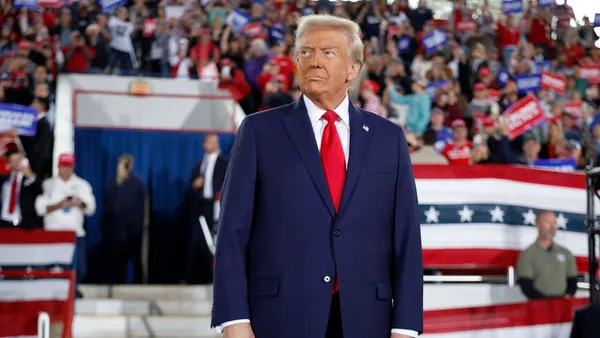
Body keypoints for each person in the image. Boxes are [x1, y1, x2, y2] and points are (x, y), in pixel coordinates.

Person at [211, 14, 423, 338]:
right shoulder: (258, 131)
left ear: (352, 70)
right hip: (279, 319)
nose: (313, 61)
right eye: (305, 52)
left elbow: (406, 237)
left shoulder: (389, 138)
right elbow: (231, 233)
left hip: (367, 321)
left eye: (327, 52)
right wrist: (233, 319)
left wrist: (406, 326)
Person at [102, 154, 146, 284]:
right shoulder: (114, 182)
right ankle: (118, 281)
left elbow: (141, 206)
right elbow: (109, 205)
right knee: (118, 257)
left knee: (134, 257)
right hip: (118, 227)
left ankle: (137, 282)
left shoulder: (137, 182)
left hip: (132, 227)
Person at [516, 210, 578, 300]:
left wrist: (567, 296)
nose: (552, 227)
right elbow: (525, 285)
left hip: (562, 305)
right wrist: (545, 302)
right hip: (538, 306)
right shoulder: (528, 254)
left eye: (554, 223)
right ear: (537, 225)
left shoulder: (566, 253)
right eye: (548, 222)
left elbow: (572, 280)